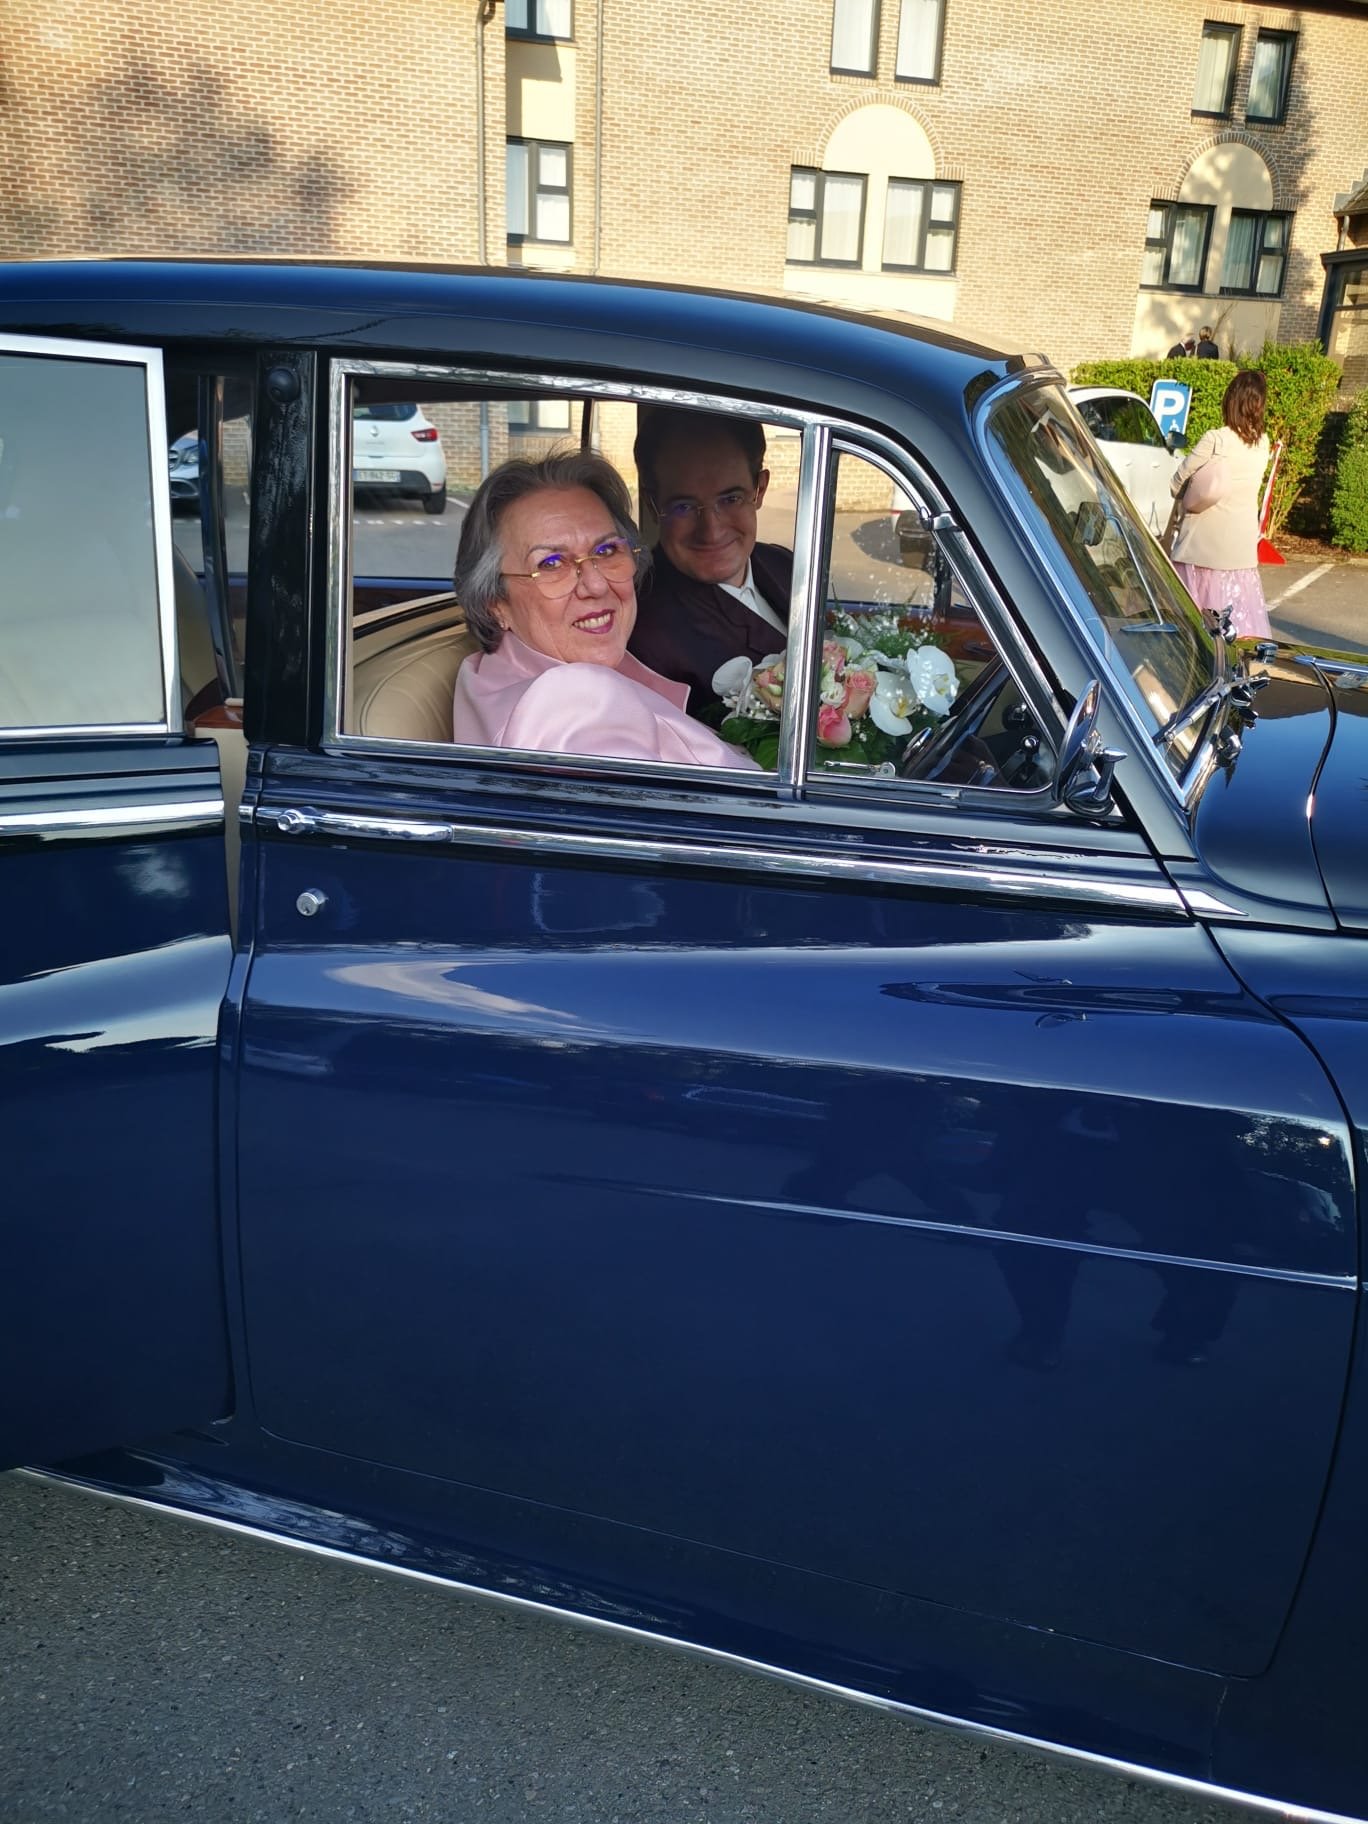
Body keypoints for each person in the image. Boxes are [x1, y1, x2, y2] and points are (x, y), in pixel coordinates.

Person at [451, 450, 758, 769]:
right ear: (495, 603)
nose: (596, 585)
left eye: (606, 550)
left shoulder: (488, 675)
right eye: (552, 563)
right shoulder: (572, 706)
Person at [628, 408, 794, 714]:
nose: (712, 531)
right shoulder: (643, 632)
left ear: (760, 489)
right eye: (684, 506)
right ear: (653, 505)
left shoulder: (783, 564)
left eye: (730, 499)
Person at [1168, 370, 1272, 639]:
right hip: (1240, 550)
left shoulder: (1217, 439)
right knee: (1238, 632)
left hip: (1203, 549)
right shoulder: (1263, 443)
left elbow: (1176, 481)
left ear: (1231, 400)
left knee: (1193, 631)